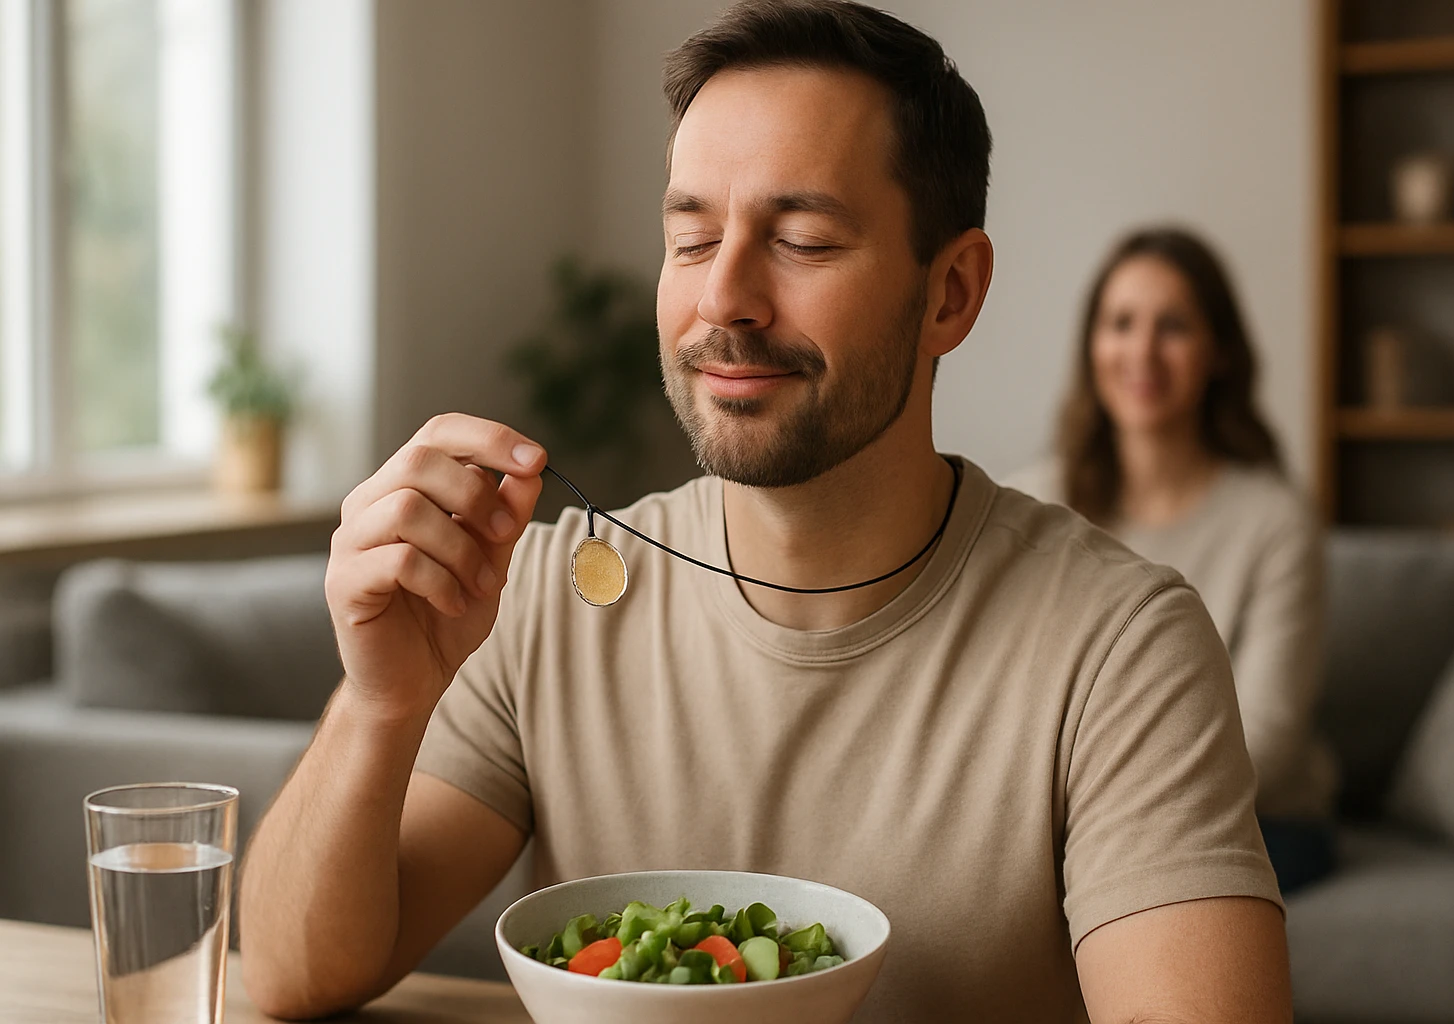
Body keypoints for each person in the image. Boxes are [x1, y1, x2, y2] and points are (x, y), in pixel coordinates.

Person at [239, 4, 1291, 1021]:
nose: (724, 298)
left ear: (950, 293)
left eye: (803, 240)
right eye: (692, 239)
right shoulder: (541, 598)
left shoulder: (1121, 646)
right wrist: (379, 703)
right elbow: (293, 974)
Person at [1006, 226, 1337, 893]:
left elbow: (1268, 740)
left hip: (1255, 820)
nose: (1142, 352)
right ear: (1092, 346)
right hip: (1073, 814)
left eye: (1174, 326)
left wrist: (1102, 808)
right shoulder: (1028, 506)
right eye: (1121, 324)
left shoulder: (1276, 522)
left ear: (1219, 352)